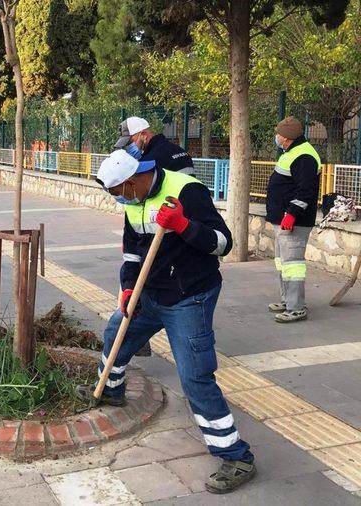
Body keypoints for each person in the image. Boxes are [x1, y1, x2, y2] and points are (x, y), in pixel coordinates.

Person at [76, 149, 255, 494]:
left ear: (130, 183)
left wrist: (184, 225)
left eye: (117, 193)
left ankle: (236, 456)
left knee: (195, 376)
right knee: (117, 330)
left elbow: (222, 244)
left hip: (189, 295)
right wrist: (128, 288)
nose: (117, 200)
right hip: (149, 291)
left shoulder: (186, 190)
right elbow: (132, 251)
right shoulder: (133, 202)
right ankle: (110, 391)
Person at [266, 116, 320, 323]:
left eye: (278, 133)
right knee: (283, 263)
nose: (276, 137)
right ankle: (288, 300)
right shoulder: (293, 151)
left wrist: (291, 213)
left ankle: (297, 307)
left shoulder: (304, 156)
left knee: (293, 265)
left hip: (293, 222)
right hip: (284, 219)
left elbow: (305, 190)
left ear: (286, 137)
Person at [115, 116, 194, 174]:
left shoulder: (149, 161)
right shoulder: (178, 150)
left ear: (143, 135)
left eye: (130, 142)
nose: (128, 147)